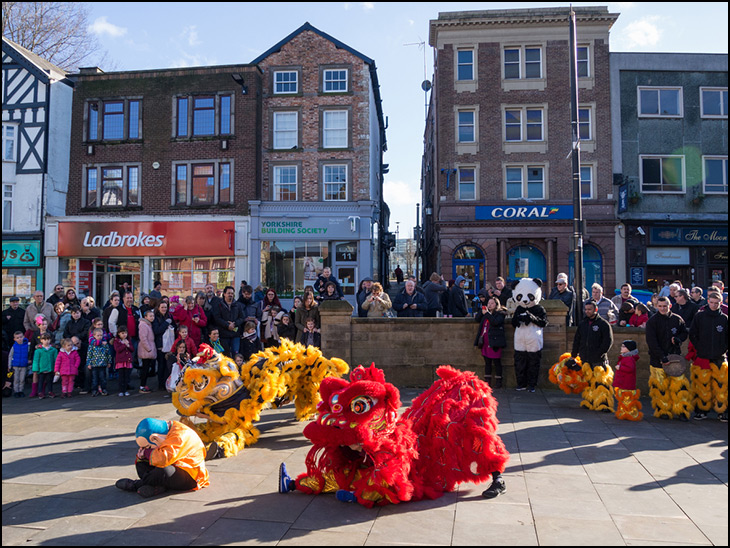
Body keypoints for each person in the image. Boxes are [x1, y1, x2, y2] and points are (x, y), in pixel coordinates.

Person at [115, 418, 209, 498]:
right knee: (141, 462)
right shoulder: (166, 432)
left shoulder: (180, 436)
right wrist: (142, 455)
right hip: (171, 465)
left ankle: (137, 485)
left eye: (147, 446)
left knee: (163, 470)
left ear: (155, 438)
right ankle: (158, 487)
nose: (145, 449)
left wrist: (146, 453)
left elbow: (164, 459)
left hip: (190, 475)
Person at [645, 296, 690, 420]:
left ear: (669, 306)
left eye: (665, 306)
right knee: (660, 388)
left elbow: (684, 333)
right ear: (656, 306)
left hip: (675, 358)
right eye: (660, 306)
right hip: (657, 360)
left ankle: (681, 410)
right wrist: (662, 357)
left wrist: (678, 339)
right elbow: (651, 342)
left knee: (679, 387)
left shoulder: (677, 319)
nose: (662, 308)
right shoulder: (652, 322)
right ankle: (663, 410)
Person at [688, 292, 728, 422]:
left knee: (721, 386)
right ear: (708, 302)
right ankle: (701, 411)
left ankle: (722, 412)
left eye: (717, 303)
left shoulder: (725, 319)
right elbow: (693, 334)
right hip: (703, 356)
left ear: (720, 303)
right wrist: (700, 347)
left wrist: (723, 349)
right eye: (712, 302)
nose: (714, 305)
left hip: (719, 357)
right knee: (702, 385)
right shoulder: (699, 317)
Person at [474, 296, 507, 388]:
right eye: (488, 303)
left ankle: (498, 382)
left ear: (496, 305)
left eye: (492, 303)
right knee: (487, 362)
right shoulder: (486, 313)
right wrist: (482, 311)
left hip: (495, 342)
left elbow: (495, 322)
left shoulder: (500, 314)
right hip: (485, 342)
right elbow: (477, 319)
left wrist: (487, 314)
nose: (490, 305)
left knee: (497, 362)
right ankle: (487, 381)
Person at [211, 286, 244, 358]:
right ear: (224, 294)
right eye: (229, 293)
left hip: (235, 334)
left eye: (232, 293)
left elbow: (242, 317)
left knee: (236, 354)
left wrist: (234, 324)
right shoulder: (219, 305)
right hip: (224, 334)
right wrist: (227, 325)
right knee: (225, 355)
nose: (230, 295)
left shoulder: (238, 305)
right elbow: (217, 318)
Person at [613, 340, 643, 421]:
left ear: (628, 349)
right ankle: (624, 412)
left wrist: (620, 368)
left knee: (627, 399)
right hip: (624, 381)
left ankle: (629, 413)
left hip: (626, 382)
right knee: (624, 399)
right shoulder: (625, 357)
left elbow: (630, 368)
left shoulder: (629, 358)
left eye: (623, 346)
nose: (621, 348)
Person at [152, 300, 176, 391]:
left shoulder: (169, 316)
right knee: (161, 365)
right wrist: (166, 323)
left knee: (168, 365)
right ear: (158, 308)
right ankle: (161, 384)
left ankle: (167, 383)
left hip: (169, 344)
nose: (164, 309)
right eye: (162, 307)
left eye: (165, 307)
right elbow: (157, 330)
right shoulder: (156, 317)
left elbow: (174, 327)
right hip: (160, 345)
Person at [138, 308, 158, 393]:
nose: (152, 317)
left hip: (148, 350)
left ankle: (144, 385)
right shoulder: (143, 325)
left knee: (146, 368)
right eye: (150, 316)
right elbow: (143, 338)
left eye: (153, 316)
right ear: (145, 317)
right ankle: (142, 386)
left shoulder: (148, 325)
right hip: (146, 350)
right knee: (145, 369)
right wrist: (149, 348)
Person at [87, 327, 112, 396]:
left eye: (101, 335)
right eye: (98, 335)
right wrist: (89, 363)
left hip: (103, 364)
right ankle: (94, 390)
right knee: (94, 379)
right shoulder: (92, 345)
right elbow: (89, 354)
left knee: (103, 378)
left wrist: (109, 362)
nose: (100, 337)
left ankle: (103, 389)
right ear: (94, 336)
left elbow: (108, 353)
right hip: (94, 364)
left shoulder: (105, 344)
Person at [32, 332, 58, 398]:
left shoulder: (53, 350)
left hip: (50, 368)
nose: (46, 341)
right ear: (41, 340)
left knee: (49, 381)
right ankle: (40, 392)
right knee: (41, 381)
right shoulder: (38, 351)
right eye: (44, 339)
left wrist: (56, 369)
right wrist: (35, 369)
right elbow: (36, 360)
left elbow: (56, 360)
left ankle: (50, 391)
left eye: (48, 339)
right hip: (41, 369)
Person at [113, 326, 134, 396]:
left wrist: (128, 345)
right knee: (121, 377)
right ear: (119, 334)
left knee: (127, 376)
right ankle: (121, 390)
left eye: (125, 333)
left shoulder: (128, 340)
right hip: (120, 361)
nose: (124, 335)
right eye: (122, 333)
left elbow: (132, 349)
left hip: (127, 361)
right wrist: (124, 345)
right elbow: (118, 350)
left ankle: (126, 390)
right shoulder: (116, 341)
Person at [8, 331, 30, 397]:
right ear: (14, 339)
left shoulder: (27, 346)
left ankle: (21, 390)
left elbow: (30, 354)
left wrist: (28, 361)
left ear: (23, 337)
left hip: (24, 365)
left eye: (21, 337)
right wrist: (9, 365)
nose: (19, 339)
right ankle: (16, 391)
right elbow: (10, 356)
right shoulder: (14, 346)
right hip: (15, 365)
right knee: (16, 379)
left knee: (22, 379)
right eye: (17, 338)